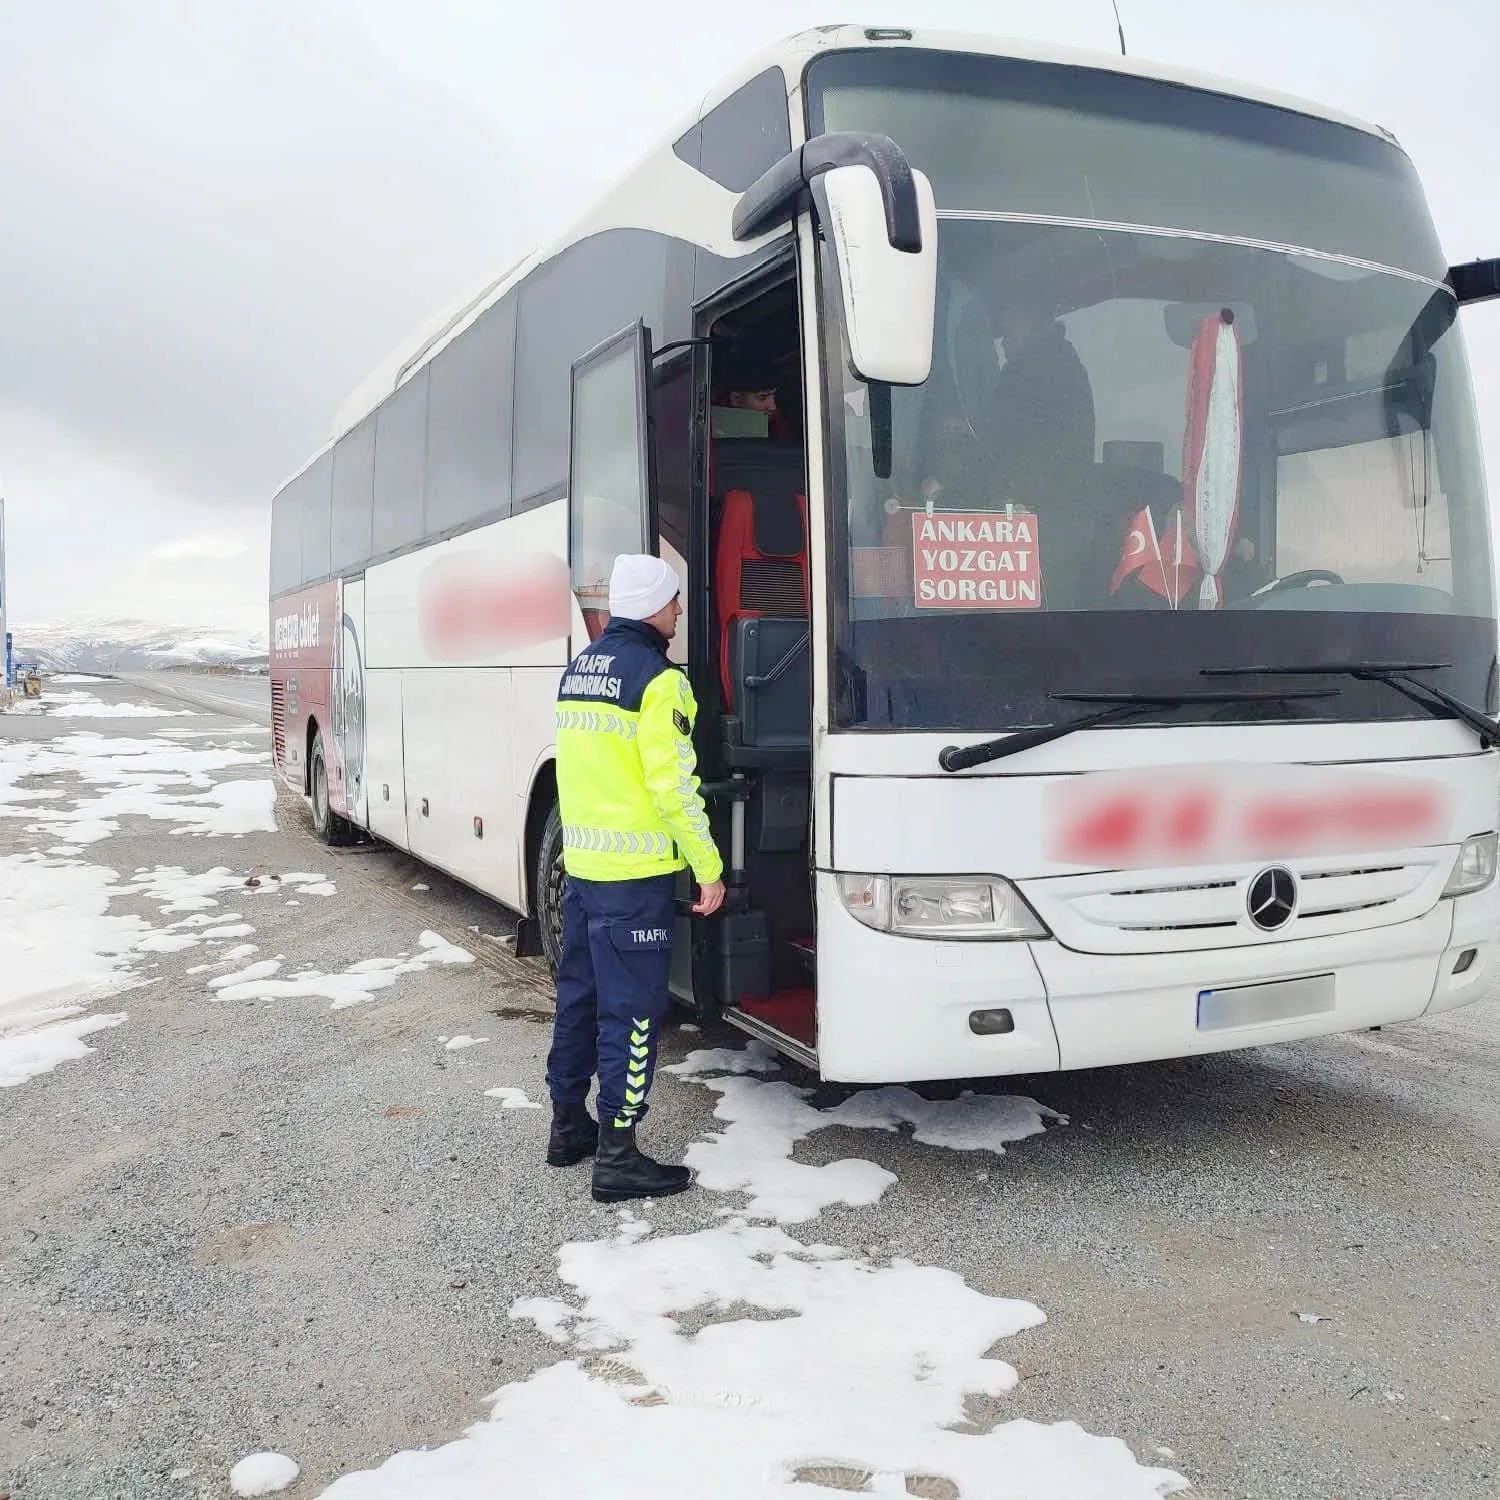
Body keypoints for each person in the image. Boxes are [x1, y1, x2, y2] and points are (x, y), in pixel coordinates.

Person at [545, 554, 726, 1203]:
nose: (679, 611)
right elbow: (673, 788)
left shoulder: (579, 670)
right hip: (634, 878)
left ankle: (569, 1126)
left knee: (579, 998)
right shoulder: (659, 680)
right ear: (654, 606)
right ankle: (618, 1156)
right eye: (674, 601)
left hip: (584, 870)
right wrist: (709, 867)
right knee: (632, 1013)